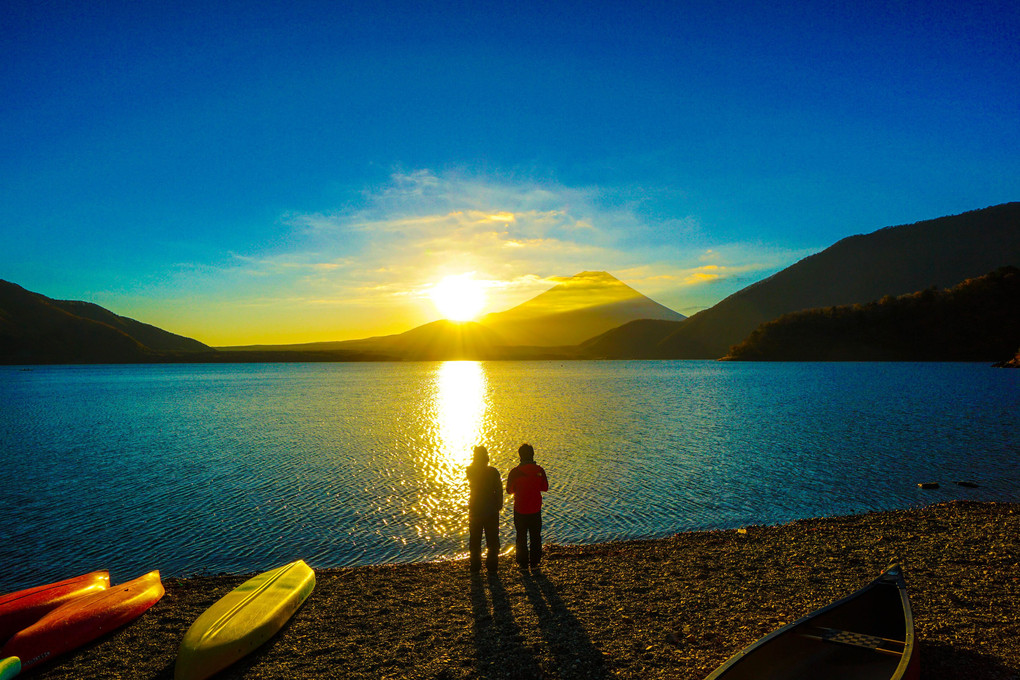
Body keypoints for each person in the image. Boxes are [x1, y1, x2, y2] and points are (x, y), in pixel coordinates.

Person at [505, 443, 548, 572]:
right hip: (535, 509)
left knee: (521, 536)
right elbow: (545, 487)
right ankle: (535, 563)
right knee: (535, 536)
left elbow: (509, 490)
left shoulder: (515, 472)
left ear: (520, 456)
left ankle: (523, 564)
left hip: (520, 509)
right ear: (532, 455)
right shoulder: (539, 470)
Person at [466, 445, 503, 573]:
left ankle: (475, 565)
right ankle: (492, 565)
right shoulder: (493, 472)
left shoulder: (470, 471)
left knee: (475, 539)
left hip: (475, 509)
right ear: (487, 457)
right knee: (492, 539)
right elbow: (499, 490)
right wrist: (499, 504)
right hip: (491, 509)